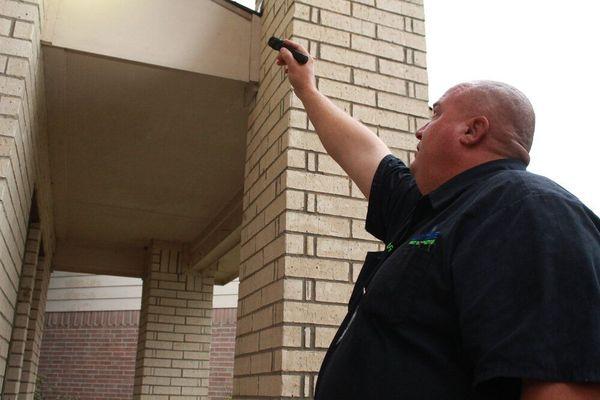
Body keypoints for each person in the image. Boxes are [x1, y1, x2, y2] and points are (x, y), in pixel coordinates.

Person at [275, 39, 600, 400]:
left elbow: (562, 386)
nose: (420, 130)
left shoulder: (527, 209)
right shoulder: (429, 210)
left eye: (436, 114)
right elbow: (364, 151)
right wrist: (306, 88)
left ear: (472, 131)